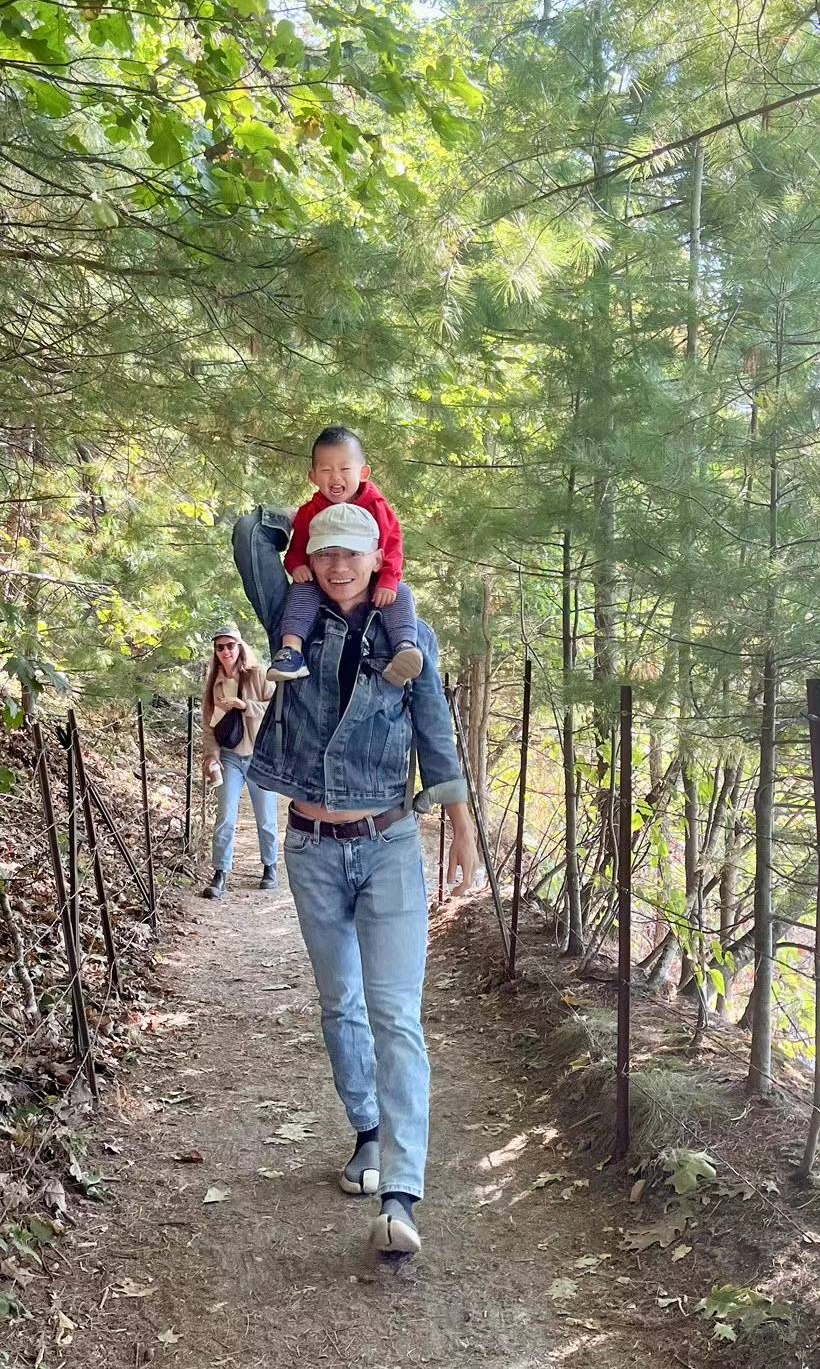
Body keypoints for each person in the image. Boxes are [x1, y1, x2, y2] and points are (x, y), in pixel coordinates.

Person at [232, 499, 479, 1257]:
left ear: (378, 561)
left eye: (353, 553)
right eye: (326, 552)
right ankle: (367, 1133)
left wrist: (462, 824)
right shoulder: (290, 620)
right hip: (310, 848)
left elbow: (435, 732)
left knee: (394, 1013)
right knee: (340, 1004)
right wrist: (316, 509)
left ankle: (402, 1195)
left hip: (388, 844)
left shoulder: (408, 634)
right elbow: (250, 536)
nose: (338, 566)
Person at [266, 425, 423, 689]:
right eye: (326, 470)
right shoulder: (310, 511)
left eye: (344, 469)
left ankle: (403, 649)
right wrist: (296, 566)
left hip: (369, 581)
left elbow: (392, 546)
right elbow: (297, 548)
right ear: (313, 476)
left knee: (401, 594)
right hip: (323, 583)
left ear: (363, 472)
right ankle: (291, 650)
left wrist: (388, 579)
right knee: (301, 591)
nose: (335, 477)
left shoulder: (376, 506)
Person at [200, 622, 279, 901]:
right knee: (225, 816)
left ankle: (270, 866)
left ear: (239, 646)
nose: (225, 651)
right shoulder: (214, 684)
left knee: (266, 817)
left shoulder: (258, 675)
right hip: (230, 758)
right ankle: (220, 872)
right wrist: (211, 757)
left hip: (259, 756)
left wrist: (246, 706)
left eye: (230, 645)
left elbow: (277, 707)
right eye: (219, 647)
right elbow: (208, 727)